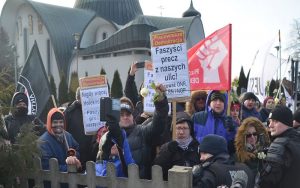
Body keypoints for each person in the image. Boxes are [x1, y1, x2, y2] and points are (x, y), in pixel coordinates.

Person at [112, 84, 169, 179]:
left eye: (128, 114)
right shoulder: (109, 136)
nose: (125, 117)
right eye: (121, 115)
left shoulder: (143, 131)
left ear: (132, 115)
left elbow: (158, 122)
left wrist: (160, 101)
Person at [258, 105, 300, 187]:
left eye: (275, 121)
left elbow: (267, 180)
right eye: (270, 121)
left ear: (286, 122)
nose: (270, 125)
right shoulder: (296, 140)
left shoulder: (279, 145)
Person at [39, 108, 81, 188]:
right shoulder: (43, 142)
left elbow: (76, 148)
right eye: (55, 122)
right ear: (49, 123)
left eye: (61, 122)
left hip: (70, 182)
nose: (59, 125)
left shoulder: (68, 136)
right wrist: (69, 167)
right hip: (53, 184)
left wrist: (74, 157)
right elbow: (47, 166)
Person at [154, 111, 200, 180]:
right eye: (178, 128)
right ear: (173, 129)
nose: (181, 132)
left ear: (190, 130)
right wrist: (167, 151)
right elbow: (157, 168)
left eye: (185, 128)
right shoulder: (166, 147)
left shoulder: (197, 147)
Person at [64, 87, 96, 172]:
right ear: (78, 98)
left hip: (92, 152)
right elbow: (63, 130)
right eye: (85, 96)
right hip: (77, 153)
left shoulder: (94, 109)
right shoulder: (69, 112)